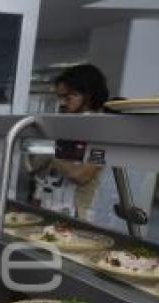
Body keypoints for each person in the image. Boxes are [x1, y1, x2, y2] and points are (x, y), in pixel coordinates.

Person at [29, 64, 109, 217]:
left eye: (69, 96)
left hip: (76, 217)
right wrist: (36, 199)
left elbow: (81, 175)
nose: (62, 103)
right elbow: (43, 173)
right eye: (60, 97)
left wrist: (51, 156)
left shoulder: (101, 130)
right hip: (48, 208)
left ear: (89, 94)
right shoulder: (65, 125)